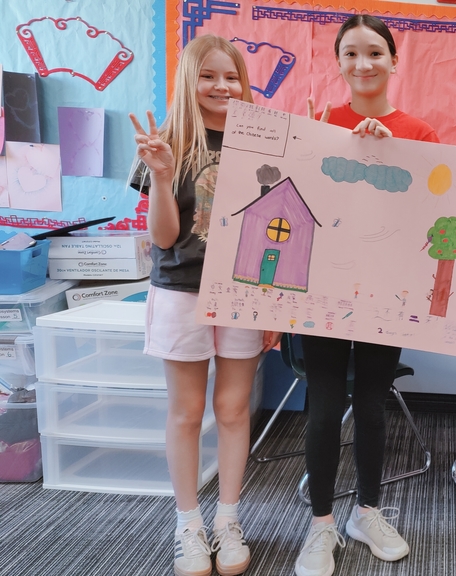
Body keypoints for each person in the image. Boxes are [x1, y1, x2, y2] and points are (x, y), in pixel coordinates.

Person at [294, 15, 439, 576]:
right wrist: (312, 146)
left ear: (394, 61)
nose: (363, 64)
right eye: (351, 53)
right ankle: (321, 526)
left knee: (374, 408)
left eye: (375, 52)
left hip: (386, 291)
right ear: (338, 63)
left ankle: (368, 512)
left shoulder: (420, 133)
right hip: (323, 291)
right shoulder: (319, 122)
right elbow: (297, 200)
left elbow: (428, 221)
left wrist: (394, 154)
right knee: (326, 406)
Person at [129, 35, 278, 576]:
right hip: (179, 291)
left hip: (244, 291)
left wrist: (274, 309)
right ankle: (188, 524)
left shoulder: (263, 141)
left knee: (235, 409)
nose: (222, 86)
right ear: (188, 79)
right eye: (209, 75)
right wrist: (164, 177)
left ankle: (228, 519)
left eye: (232, 76)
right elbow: (165, 239)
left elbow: (276, 233)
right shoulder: (163, 141)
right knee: (187, 411)